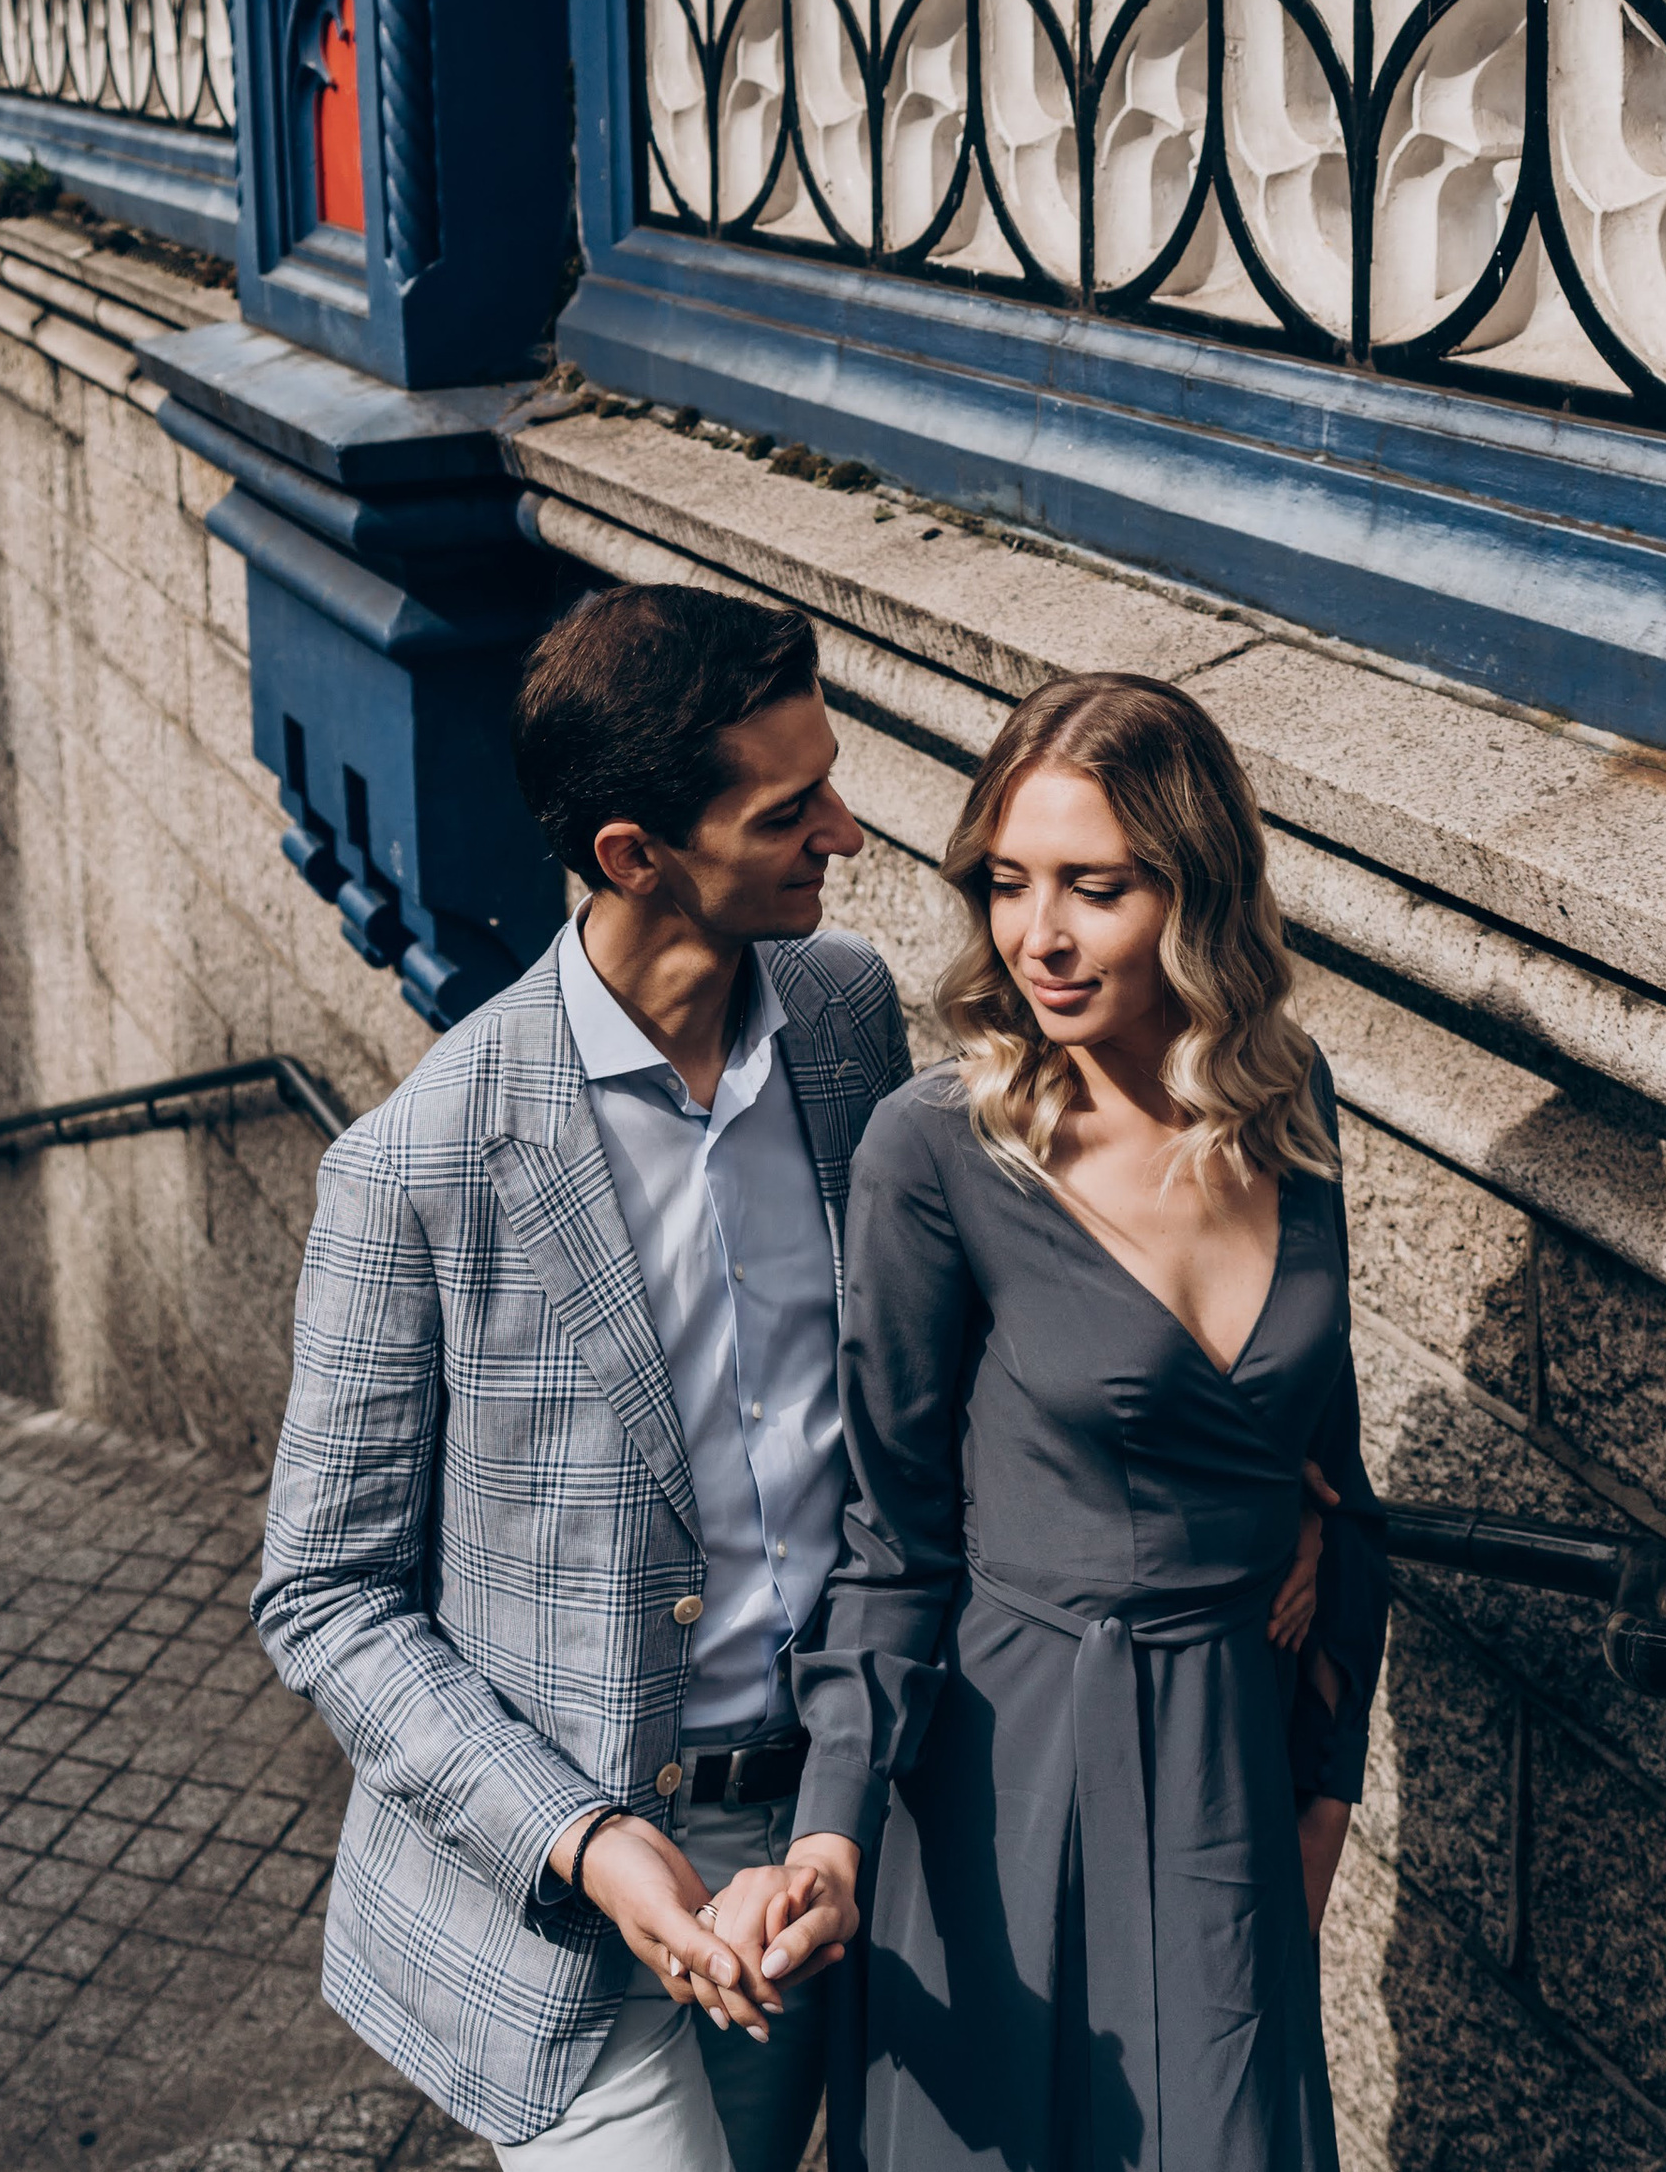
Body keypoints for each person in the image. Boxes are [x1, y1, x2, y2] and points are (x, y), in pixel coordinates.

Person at [252, 583, 912, 2172]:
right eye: (789, 807)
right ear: (634, 856)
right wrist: (590, 1839)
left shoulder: (846, 1017)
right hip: (562, 1912)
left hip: (811, 1836)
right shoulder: (415, 1164)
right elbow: (324, 1593)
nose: (847, 826)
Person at [724, 671, 1389, 2172]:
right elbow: (888, 1538)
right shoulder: (940, 1148)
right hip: (1007, 1781)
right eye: (1010, 883)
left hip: (1231, 1776)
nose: (1041, 934)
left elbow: (1340, 1487)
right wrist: (831, 1829)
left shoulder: (1292, 1105)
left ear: (1197, 889)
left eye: (1097, 886)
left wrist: (1322, 1807)